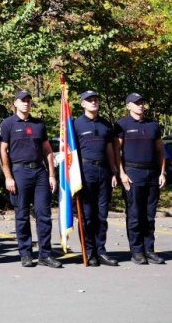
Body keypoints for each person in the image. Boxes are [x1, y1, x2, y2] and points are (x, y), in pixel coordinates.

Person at [0, 91, 61, 268]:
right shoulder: (8, 124)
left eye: (28, 101)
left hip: (40, 172)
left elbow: (47, 150)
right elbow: (2, 151)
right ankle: (25, 253)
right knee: (22, 215)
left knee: (44, 214)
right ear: (15, 104)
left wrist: (51, 175)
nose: (26, 103)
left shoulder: (38, 124)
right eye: (22, 101)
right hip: (19, 172)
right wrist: (8, 177)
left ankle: (45, 255)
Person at [114, 93, 167, 265]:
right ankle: (137, 251)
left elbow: (160, 151)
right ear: (128, 106)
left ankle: (149, 249)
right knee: (135, 214)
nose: (140, 106)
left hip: (152, 173)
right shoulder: (122, 125)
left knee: (150, 216)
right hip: (132, 172)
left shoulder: (153, 125)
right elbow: (117, 152)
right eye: (136, 103)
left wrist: (162, 172)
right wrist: (121, 174)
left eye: (142, 103)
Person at [73, 90, 119, 266]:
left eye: (95, 100)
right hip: (85, 171)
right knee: (87, 216)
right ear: (83, 103)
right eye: (89, 100)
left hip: (103, 172)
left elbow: (109, 149)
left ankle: (101, 251)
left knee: (102, 215)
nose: (93, 102)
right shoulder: (75, 125)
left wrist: (114, 170)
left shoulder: (105, 124)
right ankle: (89, 252)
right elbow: (72, 152)